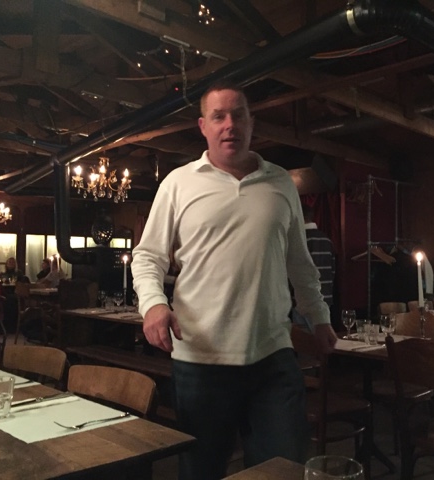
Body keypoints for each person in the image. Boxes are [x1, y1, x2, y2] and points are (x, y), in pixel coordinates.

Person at [132, 80, 338, 480]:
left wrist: (320, 317)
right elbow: (148, 256)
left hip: (272, 356)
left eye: (238, 115)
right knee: (201, 472)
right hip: (201, 360)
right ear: (203, 126)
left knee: (283, 472)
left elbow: (300, 262)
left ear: (251, 123)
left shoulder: (281, 183)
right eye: (218, 116)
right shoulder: (178, 183)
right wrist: (154, 304)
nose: (230, 124)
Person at [292, 204, 337, 332]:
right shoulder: (327, 240)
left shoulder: (298, 241)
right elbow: (332, 271)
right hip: (325, 300)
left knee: (304, 341)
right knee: (322, 340)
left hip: (301, 300)